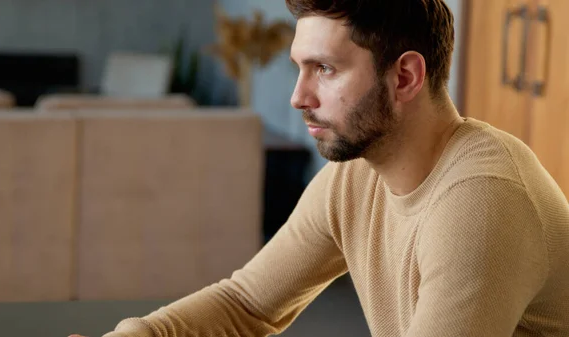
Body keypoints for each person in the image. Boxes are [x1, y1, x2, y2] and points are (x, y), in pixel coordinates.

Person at [72, 0, 569, 336]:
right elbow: (247, 304)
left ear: (405, 77)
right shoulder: (357, 175)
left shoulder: (483, 201)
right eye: (299, 68)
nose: (297, 97)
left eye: (324, 69)